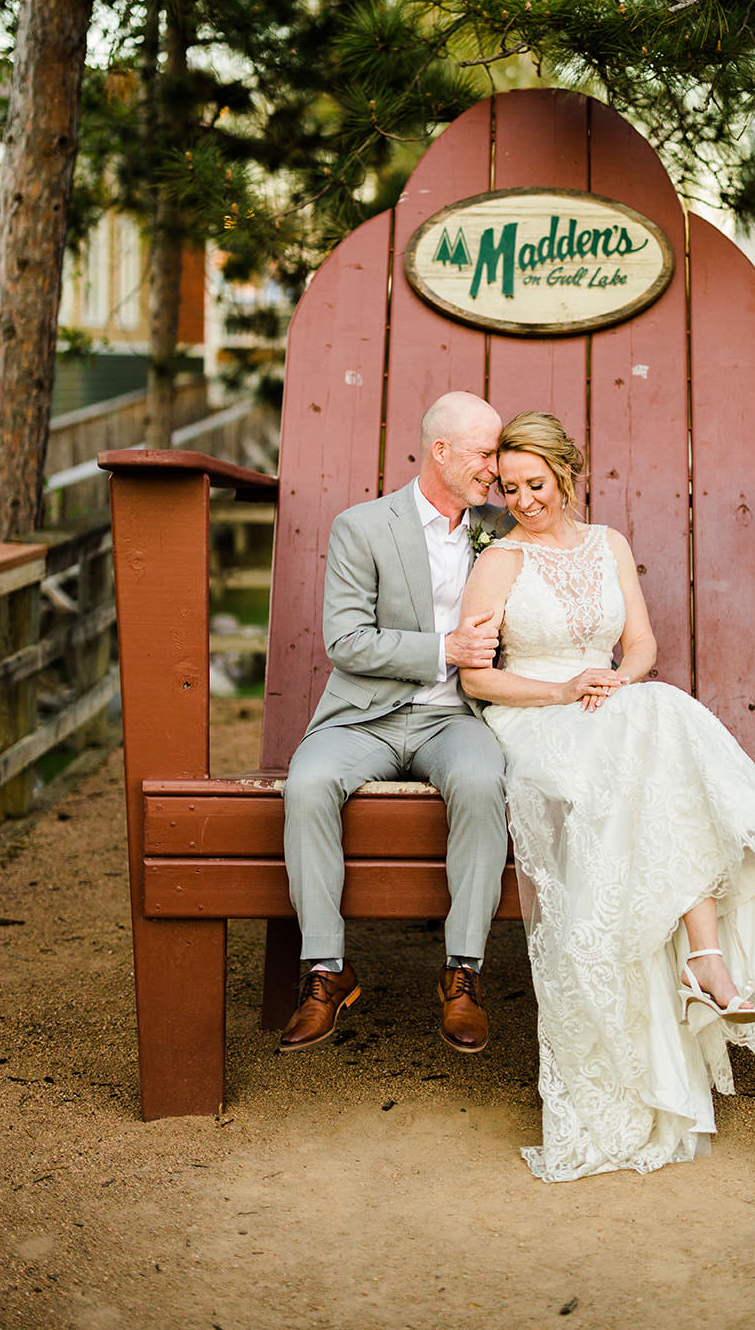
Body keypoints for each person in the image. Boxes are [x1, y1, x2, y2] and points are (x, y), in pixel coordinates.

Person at [458, 411, 755, 1182]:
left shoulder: (607, 544)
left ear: (567, 476)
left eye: (536, 485)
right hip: (535, 720)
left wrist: (616, 676)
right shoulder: (498, 562)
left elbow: (641, 644)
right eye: (509, 488)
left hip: (606, 705)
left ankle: (704, 961)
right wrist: (562, 688)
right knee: (661, 719)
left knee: (654, 711)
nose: (523, 500)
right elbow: (477, 678)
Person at [279, 390, 510, 1057]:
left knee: (479, 782)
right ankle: (326, 972)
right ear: (440, 451)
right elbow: (346, 641)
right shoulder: (362, 526)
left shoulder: (501, 529)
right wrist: (443, 650)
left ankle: (462, 973)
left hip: (457, 719)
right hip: (365, 718)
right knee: (307, 784)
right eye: (485, 453)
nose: (494, 468)